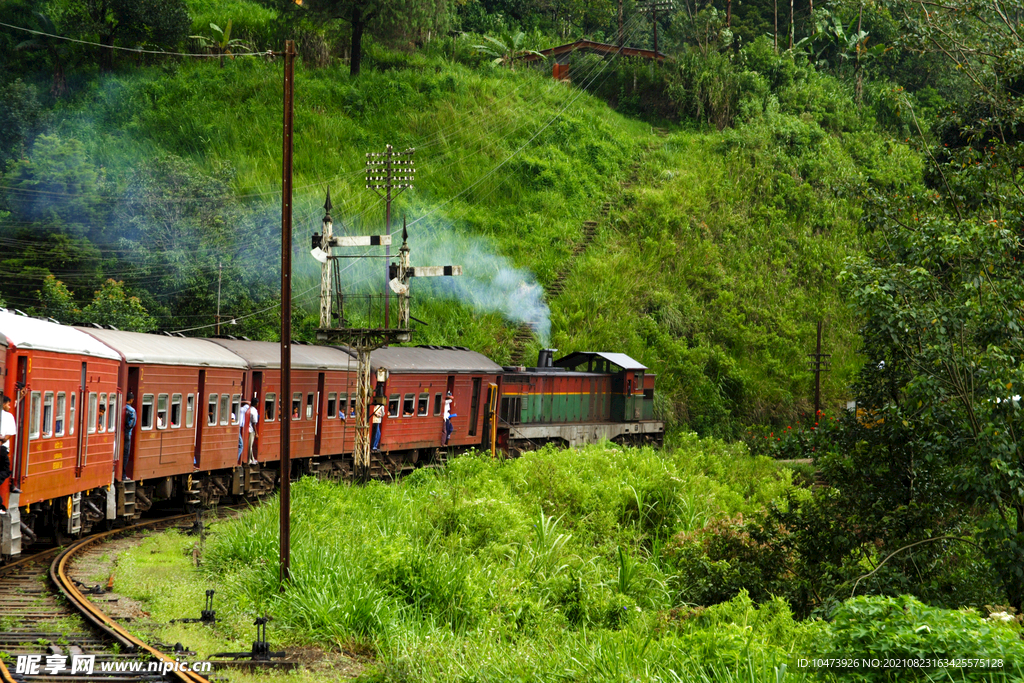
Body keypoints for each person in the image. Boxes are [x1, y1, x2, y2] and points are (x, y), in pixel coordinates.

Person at [0, 391, 23, 514]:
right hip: (2, 450)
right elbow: (10, 434)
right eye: (8, 404)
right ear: (3, 404)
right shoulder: (8, 416)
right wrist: (2, 440)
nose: (9, 406)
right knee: (6, 470)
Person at [236, 398, 259, 465]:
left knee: (248, 445)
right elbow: (254, 423)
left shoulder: (246, 409)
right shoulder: (251, 410)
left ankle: (252, 459)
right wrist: (256, 433)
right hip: (251, 430)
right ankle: (249, 460)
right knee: (247, 445)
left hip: (245, 429)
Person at [122, 393, 136, 481]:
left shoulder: (122, 408)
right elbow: (132, 423)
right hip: (127, 434)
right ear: (131, 400)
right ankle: (123, 475)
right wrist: (127, 429)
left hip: (120, 433)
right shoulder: (131, 410)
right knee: (125, 455)